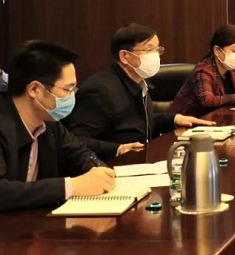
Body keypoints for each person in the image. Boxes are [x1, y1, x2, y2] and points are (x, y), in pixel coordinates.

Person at [63, 23, 213, 161]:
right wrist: (118, 149)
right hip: (113, 166)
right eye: (149, 50)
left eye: (157, 49)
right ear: (125, 56)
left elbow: (135, 122)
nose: (155, 56)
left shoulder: (138, 81)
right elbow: (77, 139)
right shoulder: (100, 90)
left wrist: (174, 119)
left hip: (141, 160)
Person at [0, 41, 116, 211]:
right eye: (67, 90)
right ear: (34, 89)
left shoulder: (49, 123)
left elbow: (79, 153)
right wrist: (70, 187)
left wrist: (96, 169)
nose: (72, 96)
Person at [170, 24, 235, 117]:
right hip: (188, 121)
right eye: (233, 50)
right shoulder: (203, 70)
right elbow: (208, 101)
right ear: (217, 50)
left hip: (218, 119)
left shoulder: (234, 69)